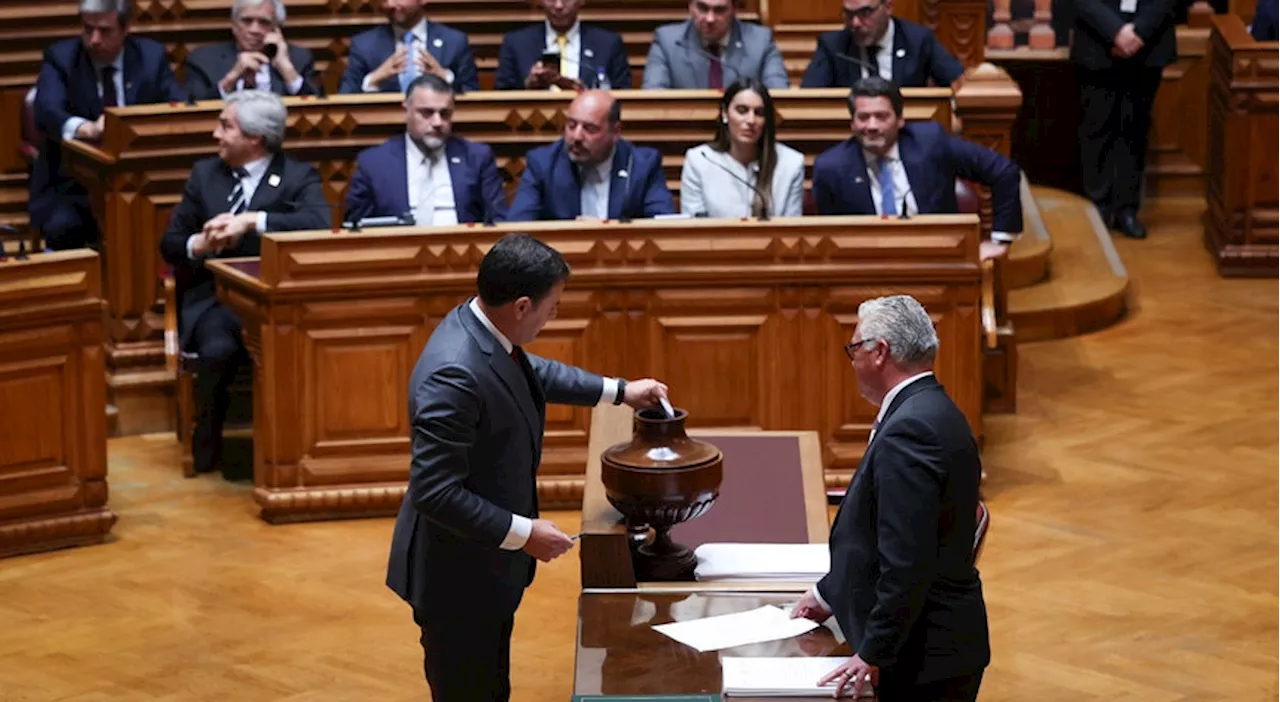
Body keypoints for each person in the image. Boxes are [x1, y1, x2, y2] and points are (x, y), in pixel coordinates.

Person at [386, 232, 670, 701]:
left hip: (484, 567)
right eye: (552, 306)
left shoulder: (482, 328)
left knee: (491, 685)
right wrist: (525, 533)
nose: (553, 316)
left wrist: (620, 390)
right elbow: (434, 492)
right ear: (521, 306)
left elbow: (532, 371)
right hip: (456, 579)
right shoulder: (453, 373)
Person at [791, 294, 989, 702]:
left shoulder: (911, 429)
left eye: (854, 348)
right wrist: (828, 593)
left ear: (878, 352)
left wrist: (873, 651)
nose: (852, 361)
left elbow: (906, 559)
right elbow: (882, 539)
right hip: (933, 647)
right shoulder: (927, 409)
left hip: (922, 662)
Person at [158, 90, 329, 476]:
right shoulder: (205, 175)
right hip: (216, 300)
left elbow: (318, 225)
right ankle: (207, 442)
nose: (216, 134)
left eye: (225, 126)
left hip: (275, 301)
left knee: (290, 351)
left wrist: (253, 220)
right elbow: (169, 243)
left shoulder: (297, 176)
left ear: (255, 138)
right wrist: (198, 244)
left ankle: (287, 449)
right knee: (218, 349)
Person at [812, 77, 1021, 260]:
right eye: (863, 117)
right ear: (852, 124)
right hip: (867, 265)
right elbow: (831, 238)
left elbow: (1003, 171)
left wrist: (999, 240)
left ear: (900, 120)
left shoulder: (931, 142)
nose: (872, 126)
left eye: (881, 116)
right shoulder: (831, 167)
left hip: (941, 257)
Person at [30, 0, 180, 250]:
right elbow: (47, 110)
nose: (94, 40)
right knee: (66, 227)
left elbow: (176, 105)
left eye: (105, 30)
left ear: (125, 29)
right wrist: (85, 129)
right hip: (72, 185)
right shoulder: (62, 58)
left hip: (145, 182)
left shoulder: (151, 57)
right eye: (88, 29)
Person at [1071, 0, 1176, 239]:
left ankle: (1126, 208)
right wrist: (1115, 32)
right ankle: (1096, 206)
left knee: (1134, 130)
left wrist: (1139, 32)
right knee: (1096, 126)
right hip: (1097, 42)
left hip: (1148, 44)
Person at [345, 74, 508, 226]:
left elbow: (498, 221)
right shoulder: (374, 163)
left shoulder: (476, 157)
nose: (437, 122)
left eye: (445, 114)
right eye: (427, 113)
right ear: (406, 112)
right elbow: (354, 227)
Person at [508, 90, 675, 221]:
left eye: (590, 129)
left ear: (615, 132)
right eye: (571, 126)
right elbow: (518, 229)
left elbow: (663, 227)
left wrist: (605, 230)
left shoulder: (642, 165)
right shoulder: (543, 164)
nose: (577, 137)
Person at [679, 79, 804, 218]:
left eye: (759, 113)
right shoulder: (699, 160)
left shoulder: (791, 163)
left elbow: (792, 231)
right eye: (742, 110)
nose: (751, 120)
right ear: (725, 114)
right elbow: (694, 229)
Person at [801, 0, 964, 88]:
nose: (855, 23)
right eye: (849, 14)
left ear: (888, 7)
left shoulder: (917, 40)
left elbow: (958, 82)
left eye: (865, 13)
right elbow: (809, 99)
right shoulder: (833, 46)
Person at [182, 0, 320, 101]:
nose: (254, 30)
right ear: (234, 25)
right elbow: (193, 111)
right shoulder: (203, 60)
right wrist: (231, 78)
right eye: (247, 21)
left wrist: (286, 68)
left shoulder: (298, 58)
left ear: (276, 28)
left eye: (264, 23)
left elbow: (315, 112)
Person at [338, 0, 479, 94]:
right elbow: (345, 97)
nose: (389, 4)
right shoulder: (363, 44)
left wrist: (445, 78)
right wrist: (373, 80)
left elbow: (473, 97)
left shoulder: (454, 41)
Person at [642, 0, 788, 90]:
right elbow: (654, 97)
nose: (710, 19)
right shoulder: (668, 41)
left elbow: (779, 94)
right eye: (703, 8)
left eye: (720, 10)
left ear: (734, 10)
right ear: (690, 6)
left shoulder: (760, 42)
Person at [495, 0, 631, 90]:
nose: (559, 5)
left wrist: (585, 93)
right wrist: (529, 85)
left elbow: (622, 95)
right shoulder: (516, 43)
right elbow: (501, 98)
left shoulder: (608, 44)